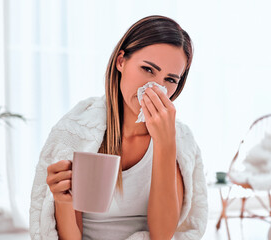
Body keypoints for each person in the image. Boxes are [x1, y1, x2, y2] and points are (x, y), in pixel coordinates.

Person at [30, 15, 208, 240]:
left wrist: (165, 143)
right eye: (148, 69)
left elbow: (163, 236)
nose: (156, 88)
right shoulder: (77, 131)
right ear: (121, 61)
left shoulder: (180, 141)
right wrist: (62, 200)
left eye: (170, 80)